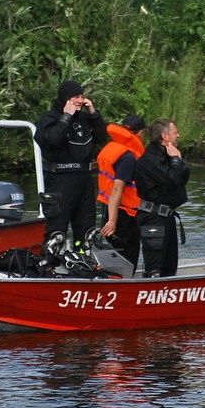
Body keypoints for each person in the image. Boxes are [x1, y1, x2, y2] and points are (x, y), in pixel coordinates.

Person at [34, 80, 108, 250]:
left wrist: (94, 114)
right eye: (76, 97)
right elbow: (53, 140)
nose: (80, 100)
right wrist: (66, 117)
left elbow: (102, 137)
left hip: (83, 179)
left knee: (87, 232)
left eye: (82, 96)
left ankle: (82, 260)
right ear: (65, 98)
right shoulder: (49, 119)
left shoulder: (84, 118)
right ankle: (50, 266)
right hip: (60, 180)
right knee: (57, 234)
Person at [134, 118, 190, 278]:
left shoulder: (167, 155)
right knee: (155, 269)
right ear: (165, 136)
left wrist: (178, 161)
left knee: (170, 266)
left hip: (167, 216)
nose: (178, 135)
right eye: (175, 132)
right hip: (153, 218)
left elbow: (180, 181)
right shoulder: (150, 159)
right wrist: (175, 160)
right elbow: (171, 179)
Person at [96, 115, 146, 271]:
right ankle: (125, 285)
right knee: (127, 257)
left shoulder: (112, 148)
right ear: (139, 133)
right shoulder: (128, 157)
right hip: (124, 215)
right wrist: (112, 221)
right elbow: (117, 188)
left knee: (114, 255)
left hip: (109, 209)